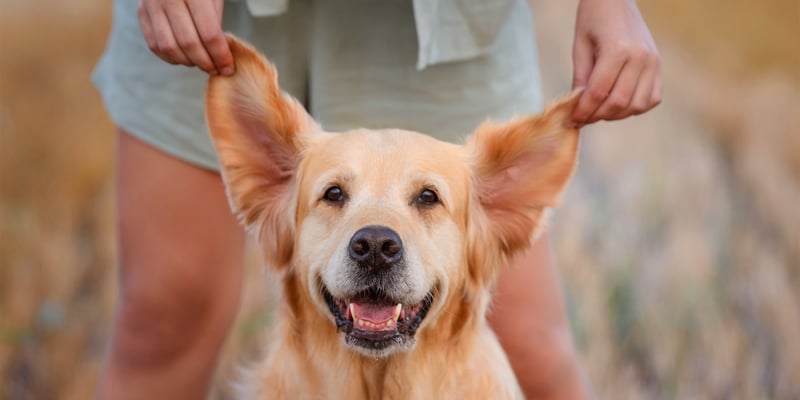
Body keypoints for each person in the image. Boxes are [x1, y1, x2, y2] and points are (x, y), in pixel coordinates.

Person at [93, 0, 660, 398]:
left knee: (532, 347)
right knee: (160, 319)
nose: (375, 238)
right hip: (215, 13)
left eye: (427, 200)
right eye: (335, 195)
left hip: (440, 16)